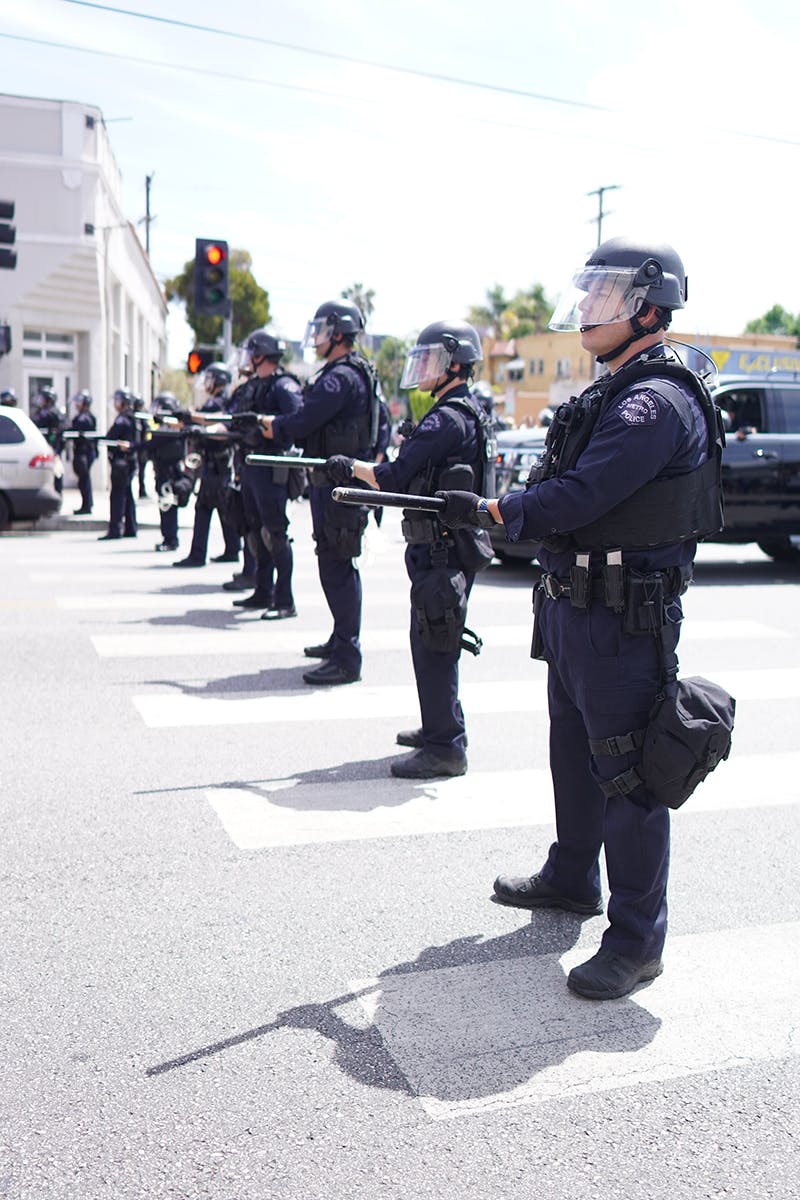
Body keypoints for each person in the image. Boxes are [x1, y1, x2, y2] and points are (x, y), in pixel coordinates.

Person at [435, 237, 724, 1001]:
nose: (587, 306)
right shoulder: (613, 388)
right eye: (589, 289)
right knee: (576, 754)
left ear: (648, 305)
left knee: (630, 776)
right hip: (575, 608)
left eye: (605, 292)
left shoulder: (651, 401)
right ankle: (571, 877)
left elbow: (581, 495)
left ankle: (636, 941)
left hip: (624, 618)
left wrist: (501, 511)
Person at [325, 320, 495, 777]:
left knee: (434, 641)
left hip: (441, 548)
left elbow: (392, 478)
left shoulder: (445, 418)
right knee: (438, 639)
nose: (422, 367)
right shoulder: (468, 412)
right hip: (452, 545)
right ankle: (440, 726)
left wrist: (351, 467)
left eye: (431, 359)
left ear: (455, 363)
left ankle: (445, 746)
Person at [260, 300, 378, 685]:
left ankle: (347, 656)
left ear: (338, 333)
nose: (317, 338)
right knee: (336, 562)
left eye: (323, 330)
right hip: (336, 484)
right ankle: (341, 640)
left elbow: (303, 420)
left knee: (337, 565)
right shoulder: (353, 373)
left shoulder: (339, 377)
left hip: (338, 487)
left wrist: (273, 427)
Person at [231, 331, 303, 618]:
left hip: (272, 467)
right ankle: (263, 590)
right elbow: (233, 420)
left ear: (262, 354)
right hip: (250, 466)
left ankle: (284, 600)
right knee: (253, 530)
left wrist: (265, 423)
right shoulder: (252, 387)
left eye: (252, 352)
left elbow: (298, 420)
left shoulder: (284, 385)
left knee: (275, 533)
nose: (248, 357)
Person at [174, 363, 240, 568]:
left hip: (215, 463)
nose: (207, 383)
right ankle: (232, 549)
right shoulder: (222, 403)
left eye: (211, 378)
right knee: (223, 508)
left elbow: (206, 424)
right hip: (218, 465)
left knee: (203, 508)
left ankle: (197, 554)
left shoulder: (216, 404)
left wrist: (189, 421)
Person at [148, 391, 189, 552]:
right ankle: (169, 537)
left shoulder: (172, 430)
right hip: (163, 470)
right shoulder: (168, 428)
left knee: (168, 505)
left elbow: (152, 443)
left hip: (169, 472)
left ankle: (170, 539)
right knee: (165, 505)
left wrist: (132, 447)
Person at [99, 387, 139, 540]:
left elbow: (111, 436)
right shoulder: (132, 417)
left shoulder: (123, 418)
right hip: (128, 462)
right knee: (127, 495)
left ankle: (115, 529)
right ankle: (130, 528)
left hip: (121, 463)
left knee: (117, 496)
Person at [69, 390, 97, 514]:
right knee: (84, 479)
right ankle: (87, 504)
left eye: (79, 402)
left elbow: (75, 430)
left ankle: (86, 506)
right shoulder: (85, 416)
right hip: (84, 452)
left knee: (84, 480)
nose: (77, 404)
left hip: (84, 452)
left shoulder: (84, 418)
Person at [32, 386, 65, 492]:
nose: (40, 401)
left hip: (52, 446)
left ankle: (56, 495)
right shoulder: (53, 411)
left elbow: (34, 422)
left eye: (43, 398)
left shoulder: (49, 412)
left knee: (55, 472)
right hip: (53, 446)